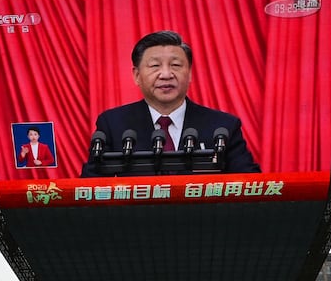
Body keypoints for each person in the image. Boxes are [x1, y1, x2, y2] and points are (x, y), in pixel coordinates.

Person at [81, 30, 260, 177]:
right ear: (136, 75)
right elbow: (89, 189)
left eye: (175, 65)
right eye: (155, 66)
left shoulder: (223, 126)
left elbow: (250, 185)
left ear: (189, 73)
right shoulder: (113, 124)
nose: (166, 74)